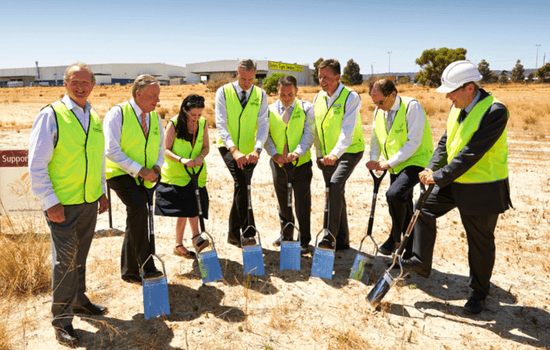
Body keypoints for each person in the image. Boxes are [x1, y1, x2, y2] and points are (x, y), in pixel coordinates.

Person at [402, 60, 512, 314]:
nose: (448, 96)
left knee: (479, 243)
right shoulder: (457, 106)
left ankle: (478, 294)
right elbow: (445, 141)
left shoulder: (495, 111)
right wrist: (431, 168)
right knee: (423, 207)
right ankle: (421, 260)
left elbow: (471, 154)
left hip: (483, 188)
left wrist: (439, 176)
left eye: (452, 91)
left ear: (470, 87)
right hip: (454, 181)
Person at [29, 62, 109, 348]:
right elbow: (36, 165)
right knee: (64, 263)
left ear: (93, 85)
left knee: (80, 257)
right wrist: (50, 202)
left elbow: (98, 159)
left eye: (85, 81)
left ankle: (79, 300)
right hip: (62, 205)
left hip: (88, 202)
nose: (80, 86)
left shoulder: (95, 117)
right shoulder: (51, 115)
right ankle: (61, 321)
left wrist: (101, 192)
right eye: (74, 81)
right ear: (65, 83)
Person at [104, 74, 165, 284]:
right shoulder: (118, 113)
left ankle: (130, 270)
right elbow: (111, 150)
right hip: (120, 173)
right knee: (139, 208)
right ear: (138, 94)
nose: (157, 100)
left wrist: (157, 165)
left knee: (138, 215)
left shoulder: (154, 117)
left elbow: (160, 147)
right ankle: (146, 265)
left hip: (146, 176)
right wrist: (139, 170)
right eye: (153, 95)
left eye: (158, 95)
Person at [366, 79, 433, 257]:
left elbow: (414, 142)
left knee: (394, 194)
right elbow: (375, 137)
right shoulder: (378, 111)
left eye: (381, 102)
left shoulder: (412, 107)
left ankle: (395, 237)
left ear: (393, 94)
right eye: (375, 103)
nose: (378, 106)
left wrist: (389, 163)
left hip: (416, 160)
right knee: (402, 201)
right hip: (396, 164)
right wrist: (374, 159)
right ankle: (409, 249)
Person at [215, 59, 269, 247]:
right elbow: (221, 124)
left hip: (250, 151)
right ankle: (248, 231)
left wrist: (258, 149)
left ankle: (235, 234)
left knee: (243, 186)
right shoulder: (223, 92)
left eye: (250, 79)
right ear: (237, 73)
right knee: (242, 181)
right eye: (243, 78)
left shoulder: (261, 95)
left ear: (255, 75)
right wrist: (234, 150)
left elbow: (263, 124)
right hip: (228, 147)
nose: (246, 83)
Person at [313, 59, 365, 250]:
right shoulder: (318, 97)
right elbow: (317, 128)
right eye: (320, 77)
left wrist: (334, 155)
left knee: (334, 185)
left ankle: (329, 237)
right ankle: (343, 240)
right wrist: (319, 154)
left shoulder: (350, 97)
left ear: (337, 77)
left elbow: (347, 132)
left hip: (350, 150)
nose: (322, 80)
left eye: (326, 77)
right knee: (336, 191)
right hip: (327, 155)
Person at [154, 94, 210, 258]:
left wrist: (200, 157)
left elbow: (206, 147)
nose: (196, 118)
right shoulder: (174, 123)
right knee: (185, 210)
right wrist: (182, 160)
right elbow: (165, 150)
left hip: (196, 174)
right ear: (185, 111)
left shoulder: (203, 123)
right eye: (193, 115)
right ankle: (192, 239)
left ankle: (187, 241)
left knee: (192, 208)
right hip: (177, 175)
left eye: (199, 115)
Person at [264, 75, 315, 255]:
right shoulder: (269, 111)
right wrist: (274, 154)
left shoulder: (307, 108)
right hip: (278, 164)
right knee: (283, 201)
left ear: (296, 91)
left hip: (301, 164)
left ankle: (304, 239)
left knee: (302, 202)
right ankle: (286, 235)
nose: (286, 98)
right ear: (277, 91)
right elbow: (266, 136)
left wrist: (298, 152)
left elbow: (309, 134)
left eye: (290, 94)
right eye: (282, 94)